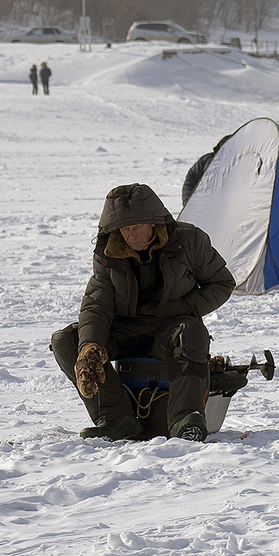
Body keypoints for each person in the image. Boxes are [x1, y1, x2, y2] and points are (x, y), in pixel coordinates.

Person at [51, 183, 235, 441]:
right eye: (124, 228)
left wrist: (185, 308)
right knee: (66, 340)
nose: (130, 235)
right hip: (126, 330)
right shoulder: (108, 253)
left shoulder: (189, 241)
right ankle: (116, 419)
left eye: (136, 226)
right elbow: (97, 304)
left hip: (171, 328)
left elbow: (222, 282)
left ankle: (186, 418)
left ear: (155, 223)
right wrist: (90, 346)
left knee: (191, 331)